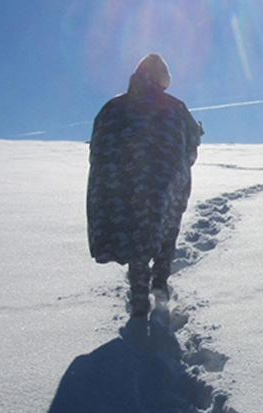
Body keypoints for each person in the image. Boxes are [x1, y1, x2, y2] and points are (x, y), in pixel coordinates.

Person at [87, 53, 203, 317]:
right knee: (166, 229)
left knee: (136, 235)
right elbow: (191, 148)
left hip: (121, 186)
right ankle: (160, 283)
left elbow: (97, 152)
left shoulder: (112, 108)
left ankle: (139, 298)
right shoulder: (176, 107)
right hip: (169, 182)